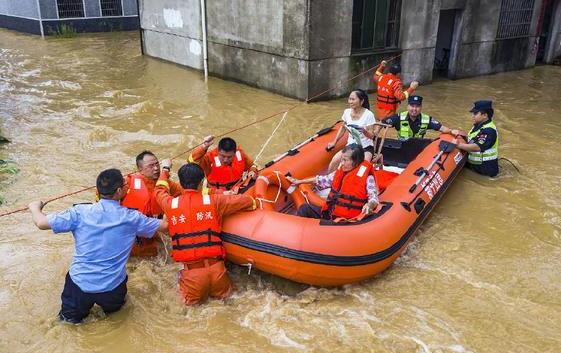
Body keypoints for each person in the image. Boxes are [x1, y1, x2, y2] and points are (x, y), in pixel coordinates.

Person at [28, 169, 167, 324]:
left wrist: (35, 207)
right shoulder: (132, 218)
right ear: (119, 191)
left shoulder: (79, 212)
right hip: (112, 287)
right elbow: (165, 226)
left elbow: (41, 223)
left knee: (67, 324)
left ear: (97, 190)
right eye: (125, 183)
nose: (128, 185)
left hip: (79, 284)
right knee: (116, 320)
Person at [154, 160, 256, 305]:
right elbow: (248, 201)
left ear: (181, 184)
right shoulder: (215, 201)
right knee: (228, 305)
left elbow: (159, 190)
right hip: (218, 271)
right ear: (202, 182)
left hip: (192, 276)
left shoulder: (170, 204)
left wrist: (165, 169)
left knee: (189, 311)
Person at [288, 144, 379, 220]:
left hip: (346, 220)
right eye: (342, 159)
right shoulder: (340, 172)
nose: (341, 163)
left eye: (345, 160)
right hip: (330, 213)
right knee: (304, 209)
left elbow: (374, 198)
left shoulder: (367, 178)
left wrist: (369, 205)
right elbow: (322, 180)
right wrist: (299, 181)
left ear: (356, 162)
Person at [121, 151, 183, 257]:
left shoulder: (167, 184)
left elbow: (187, 195)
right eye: (151, 166)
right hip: (131, 241)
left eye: (157, 164)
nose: (156, 168)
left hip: (156, 239)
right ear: (140, 169)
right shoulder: (127, 183)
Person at [326, 89, 376, 173]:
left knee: (362, 169)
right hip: (351, 146)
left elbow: (372, 136)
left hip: (365, 147)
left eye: (353, 99)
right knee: (334, 161)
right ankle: (327, 182)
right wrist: (334, 142)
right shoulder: (347, 112)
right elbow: (343, 128)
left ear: (362, 101)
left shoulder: (368, 115)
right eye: (349, 99)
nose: (350, 102)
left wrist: (364, 131)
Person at [188, 136, 258, 191]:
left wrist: (252, 171)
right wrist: (204, 146)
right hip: (216, 194)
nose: (225, 160)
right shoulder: (209, 158)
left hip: (239, 189)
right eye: (223, 156)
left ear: (234, 153)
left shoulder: (240, 154)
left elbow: (252, 165)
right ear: (218, 151)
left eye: (229, 157)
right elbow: (191, 161)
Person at [380, 95, 458, 140]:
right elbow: (381, 123)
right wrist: (374, 132)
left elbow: (441, 128)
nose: (414, 109)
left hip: (418, 149)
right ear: (407, 107)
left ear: (421, 108)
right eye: (412, 106)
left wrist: (451, 131)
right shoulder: (398, 117)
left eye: (417, 106)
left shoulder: (427, 119)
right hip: (402, 147)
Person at [454, 100, 499, 177]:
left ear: (485, 115)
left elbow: (477, 147)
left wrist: (458, 145)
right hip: (475, 166)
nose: (473, 116)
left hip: (485, 170)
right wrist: (464, 136)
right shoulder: (479, 125)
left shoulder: (489, 130)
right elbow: (475, 139)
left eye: (475, 113)